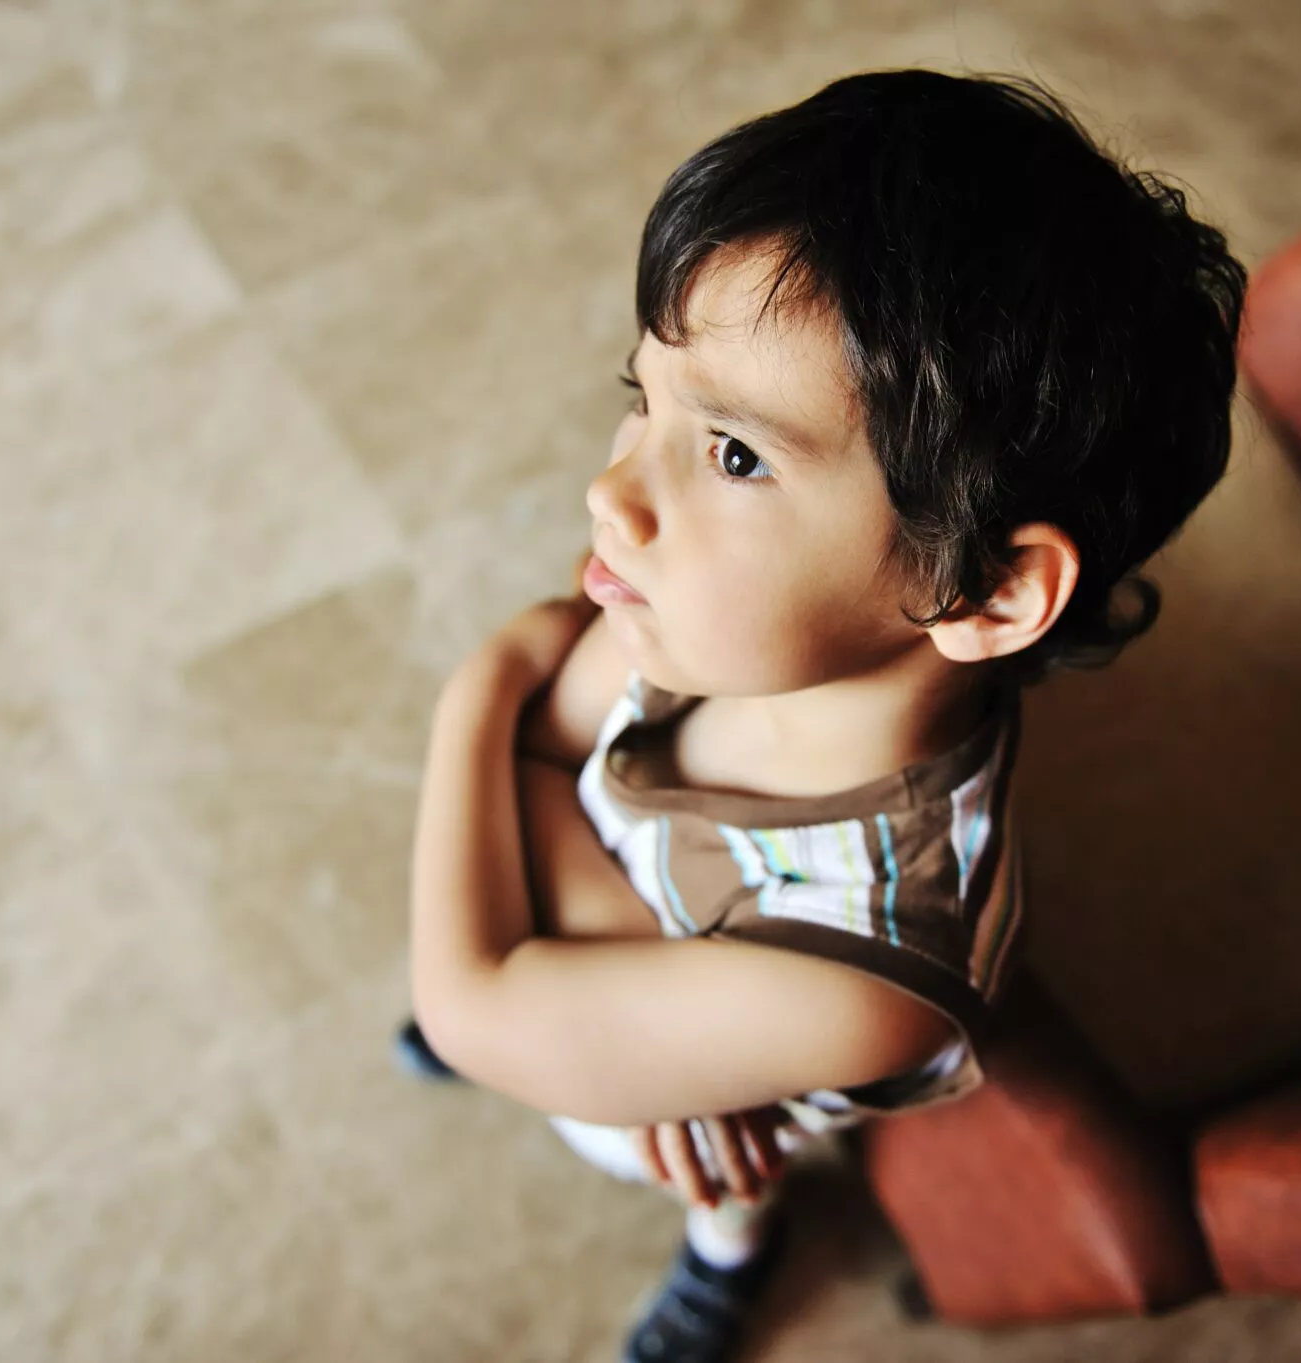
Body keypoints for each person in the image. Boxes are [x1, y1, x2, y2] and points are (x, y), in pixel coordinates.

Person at [402, 67, 1246, 1363]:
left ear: (984, 589)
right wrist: (593, 967)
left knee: (710, 1154)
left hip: (694, 1113)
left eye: (734, 454)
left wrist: (480, 682)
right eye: (642, 398)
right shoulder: (720, 622)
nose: (610, 494)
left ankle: (729, 1254)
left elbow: (475, 991)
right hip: (634, 945)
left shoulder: (872, 981)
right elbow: (541, 756)